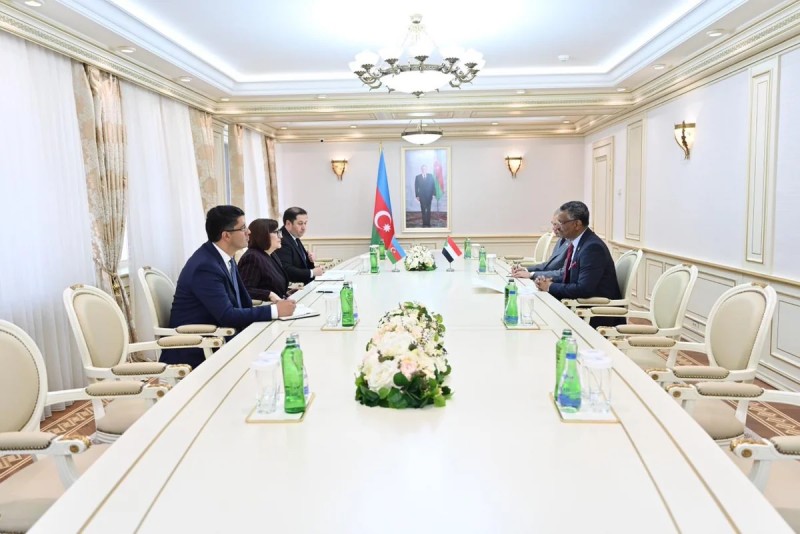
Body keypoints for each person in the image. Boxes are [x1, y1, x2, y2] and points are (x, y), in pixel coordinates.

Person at [166, 205, 296, 368]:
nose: (249, 232)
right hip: (200, 349)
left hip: (223, 338)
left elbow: (243, 303)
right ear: (226, 235)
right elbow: (227, 315)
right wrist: (275, 311)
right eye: (243, 228)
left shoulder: (225, 258)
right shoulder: (205, 266)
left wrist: (276, 306)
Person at [534, 201, 623, 328]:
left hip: (595, 313)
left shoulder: (592, 247)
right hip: (579, 305)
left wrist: (550, 287)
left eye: (561, 223)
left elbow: (584, 289)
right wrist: (546, 280)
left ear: (577, 224)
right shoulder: (579, 242)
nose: (557, 227)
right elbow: (569, 275)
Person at [238, 218, 291, 301]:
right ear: (263, 235)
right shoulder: (252, 257)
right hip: (265, 307)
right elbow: (245, 290)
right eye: (276, 232)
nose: (281, 236)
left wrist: (287, 292)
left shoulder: (271, 254)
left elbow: (271, 285)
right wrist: (269, 294)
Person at [512, 212, 569, 280]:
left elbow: (563, 274)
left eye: (556, 224)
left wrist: (532, 275)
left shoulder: (572, 243)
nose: (553, 228)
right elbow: (549, 265)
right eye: (553, 224)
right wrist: (526, 270)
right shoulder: (561, 239)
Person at [274, 206, 324, 284]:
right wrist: (312, 273)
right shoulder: (281, 239)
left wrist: (309, 259)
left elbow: (301, 264)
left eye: (305, 223)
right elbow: (286, 269)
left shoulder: (294, 236)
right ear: (288, 224)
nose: (304, 227)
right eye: (300, 223)